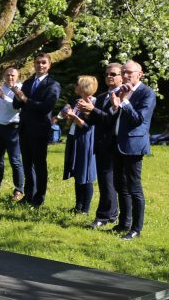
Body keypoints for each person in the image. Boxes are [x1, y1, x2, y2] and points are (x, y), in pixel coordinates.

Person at [109, 60, 156, 240]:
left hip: (134, 146)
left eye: (129, 72)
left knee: (134, 187)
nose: (126, 75)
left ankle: (136, 229)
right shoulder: (120, 91)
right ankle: (123, 223)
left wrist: (125, 102)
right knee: (121, 185)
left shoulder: (147, 93)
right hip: (118, 143)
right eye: (123, 72)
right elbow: (118, 117)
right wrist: (115, 106)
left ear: (140, 74)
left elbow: (138, 120)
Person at [12, 53, 60, 207]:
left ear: (49, 65)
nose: (40, 65)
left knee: (39, 164)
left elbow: (46, 107)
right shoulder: (27, 82)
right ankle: (28, 195)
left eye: (43, 63)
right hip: (25, 128)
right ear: (34, 64)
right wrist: (18, 96)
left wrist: (26, 99)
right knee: (27, 164)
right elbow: (16, 105)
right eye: (38, 62)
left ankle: (39, 198)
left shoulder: (53, 85)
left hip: (40, 129)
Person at [77, 63, 122, 228]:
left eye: (113, 74)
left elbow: (111, 120)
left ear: (121, 76)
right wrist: (87, 112)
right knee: (104, 181)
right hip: (101, 143)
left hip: (114, 145)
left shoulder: (122, 96)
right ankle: (111, 214)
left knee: (108, 181)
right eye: (107, 74)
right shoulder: (103, 96)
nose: (109, 76)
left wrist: (92, 110)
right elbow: (97, 120)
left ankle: (103, 216)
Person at [0, 67, 25, 201]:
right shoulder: (0, 88)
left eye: (12, 75)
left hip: (14, 127)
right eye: (7, 75)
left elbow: (16, 108)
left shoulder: (20, 89)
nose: (10, 77)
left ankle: (19, 190)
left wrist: (3, 96)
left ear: (17, 76)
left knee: (15, 160)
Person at [61, 75, 98, 214]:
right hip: (73, 138)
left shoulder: (94, 102)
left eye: (78, 84)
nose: (75, 86)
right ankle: (78, 206)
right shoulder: (77, 101)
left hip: (85, 140)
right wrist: (68, 115)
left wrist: (74, 116)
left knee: (85, 174)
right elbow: (71, 123)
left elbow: (87, 126)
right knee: (77, 172)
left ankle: (85, 208)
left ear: (84, 87)